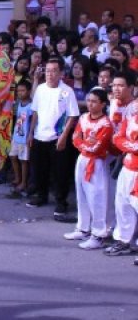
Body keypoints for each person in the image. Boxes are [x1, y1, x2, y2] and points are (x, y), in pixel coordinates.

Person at [26, 57, 80, 218]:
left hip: (57, 137)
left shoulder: (67, 91)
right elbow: (35, 112)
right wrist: (30, 133)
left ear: (61, 73)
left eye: (54, 70)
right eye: (47, 70)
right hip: (39, 136)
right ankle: (41, 196)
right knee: (40, 169)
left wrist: (63, 137)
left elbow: (72, 115)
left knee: (60, 172)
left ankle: (61, 202)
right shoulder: (41, 89)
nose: (50, 74)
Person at [63, 88, 112, 250]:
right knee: (81, 194)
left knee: (96, 198)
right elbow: (75, 138)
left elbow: (97, 148)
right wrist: (86, 145)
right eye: (89, 100)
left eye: (94, 102)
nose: (90, 104)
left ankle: (98, 235)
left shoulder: (106, 124)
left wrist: (85, 145)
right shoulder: (83, 118)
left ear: (103, 104)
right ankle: (83, 228)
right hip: (82, 159)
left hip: (96, 163)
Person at [105, 92, 138, 258]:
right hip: (127, 168)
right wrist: (130, 146)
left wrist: (128, 145)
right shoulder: (131, 118)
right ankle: (124, 241)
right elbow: (117, 138)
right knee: (122, 205)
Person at [7, 80, 33, 198]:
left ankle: (23, 182)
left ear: (29, 91)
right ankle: (18, 178)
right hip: (16, 135)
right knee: (13, 156)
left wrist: (30, 135)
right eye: (18, 91)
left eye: (23, 90)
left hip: (25, 137)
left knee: (24, 160)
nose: (20, 93)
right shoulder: (17, 104)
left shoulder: (31, 106)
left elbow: (33, 121)